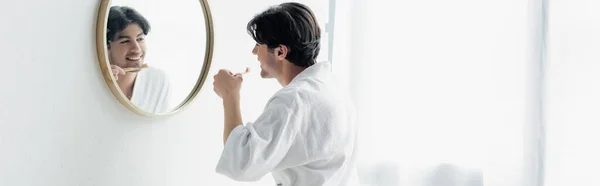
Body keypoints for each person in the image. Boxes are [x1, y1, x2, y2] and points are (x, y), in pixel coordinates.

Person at [212, 2, 359, 185]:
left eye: (259, 44)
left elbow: (242, 163)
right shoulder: (332, 87)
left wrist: (230, 95)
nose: (254, 52)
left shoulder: (294, 100)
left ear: (280, 51)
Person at [107, 6, 171, 114]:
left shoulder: (158, 80)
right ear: (106, 47)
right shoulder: (94, 83)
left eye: (140, 39)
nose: (136, 49)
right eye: (125, 41)